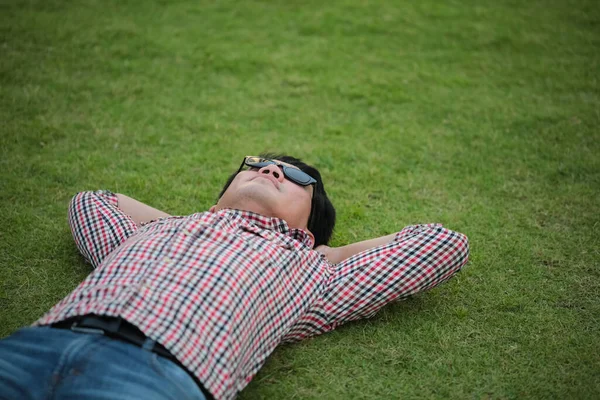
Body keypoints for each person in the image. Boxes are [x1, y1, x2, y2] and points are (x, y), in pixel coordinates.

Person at [0, 154, 470, 400]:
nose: (270, 169)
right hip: (35, 346)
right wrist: (208, 221)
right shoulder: (152, 233)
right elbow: (93, 201)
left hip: (153, 377)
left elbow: (441, 243)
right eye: (259, 165)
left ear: (311, 221)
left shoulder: (313, 277)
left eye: (293, 177)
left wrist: (326, 253)